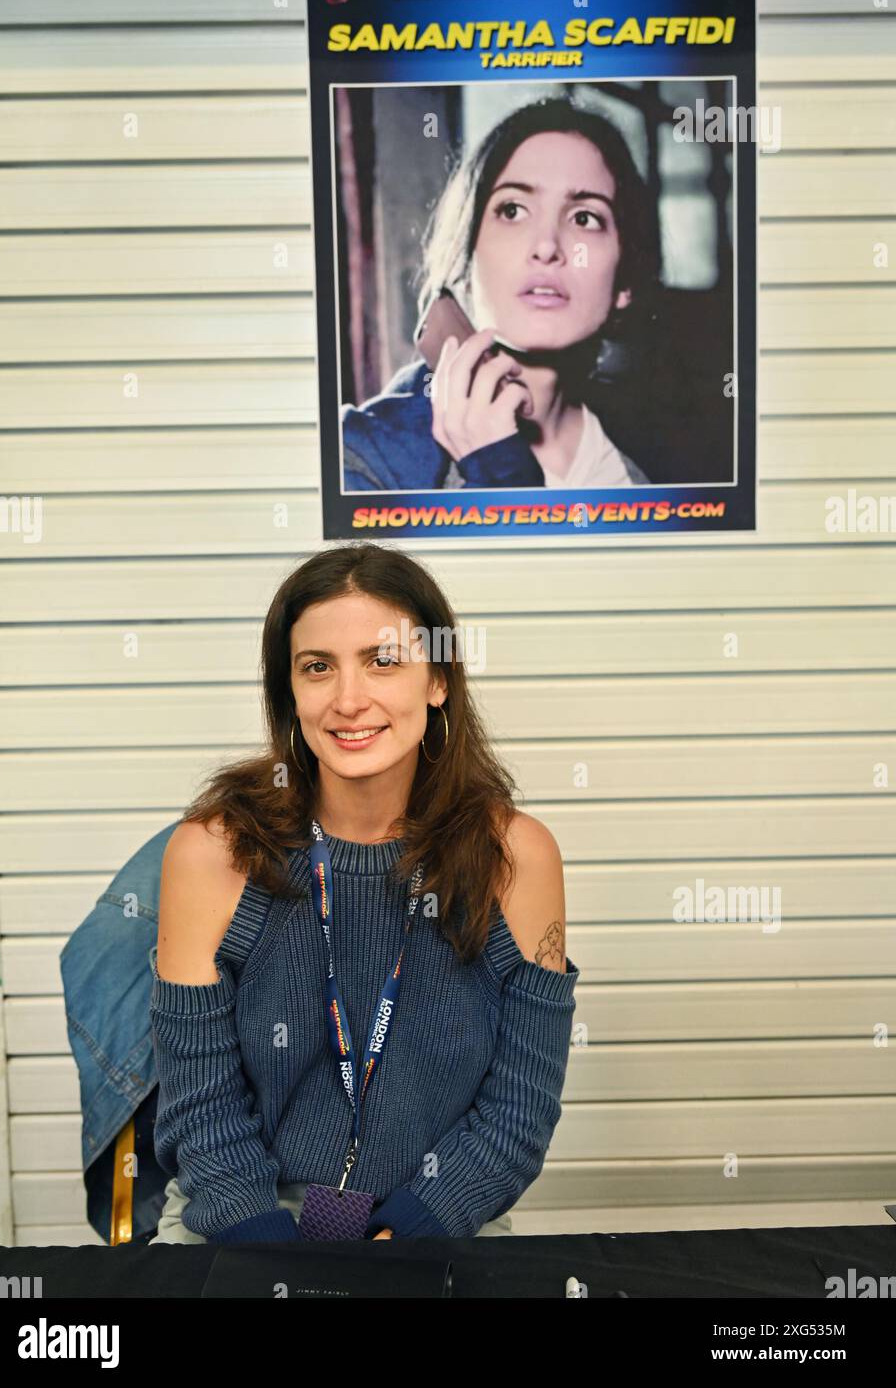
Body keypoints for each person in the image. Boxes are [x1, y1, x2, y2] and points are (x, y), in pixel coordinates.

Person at [149, 541, 579, 1243]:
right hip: (240, 1212)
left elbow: (518, 1110)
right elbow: (200, 1107)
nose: (349, 701)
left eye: (384, 661)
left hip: (441, 1215)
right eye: (318, 668)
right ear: (290, 690)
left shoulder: (516, 856)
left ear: (437, 680)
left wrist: (407, 1235)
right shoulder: (212, 852)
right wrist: (269, 1247)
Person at [342, 96, 660, 493]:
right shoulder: (362, 459)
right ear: (467, 253)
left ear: (624, 284)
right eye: (512, 211)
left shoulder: (644, 473)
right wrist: (497, 480)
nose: (546, 246)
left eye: (584, 217)